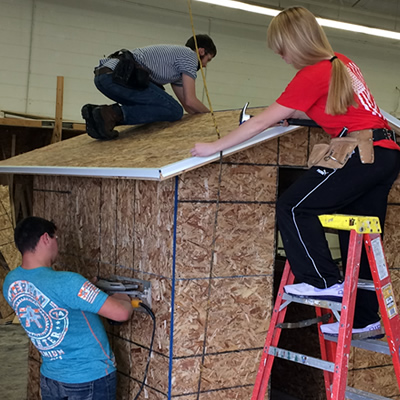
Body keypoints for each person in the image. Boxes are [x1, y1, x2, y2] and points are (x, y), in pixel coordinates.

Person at [191, 7, 400, 337]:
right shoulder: (341, 63)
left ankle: (323, 282)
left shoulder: (314, 72)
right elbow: (337, 109)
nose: (283, 57)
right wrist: (296, 114)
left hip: (361, 152)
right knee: (355, 234)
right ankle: (364, 317)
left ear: (296, 42)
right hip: (384, 153)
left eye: (282, 50)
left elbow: (260, 121)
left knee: (294, 206)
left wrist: (213, 146)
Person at [3, 216, 134, 400]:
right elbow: (122, 313)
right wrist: (124, 297)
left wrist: (85, 289)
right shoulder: (68, 282)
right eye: (55, 237)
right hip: (89, 378)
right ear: (45, 238)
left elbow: (47, 298)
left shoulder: (11, 282)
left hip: (51, 379)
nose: (57, 243)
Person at [82, 34, 217, 140]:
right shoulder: (190, 56)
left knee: (162, 109)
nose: (205, 65)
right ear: (201, 51)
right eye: (208, 60)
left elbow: (189, 106)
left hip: (105, 77)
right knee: (174, 110)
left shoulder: (177, 70)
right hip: (118, 76)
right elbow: (190, 101)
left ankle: (97, 119)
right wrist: (213, 118)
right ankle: (109, 114)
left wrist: (199, 120)